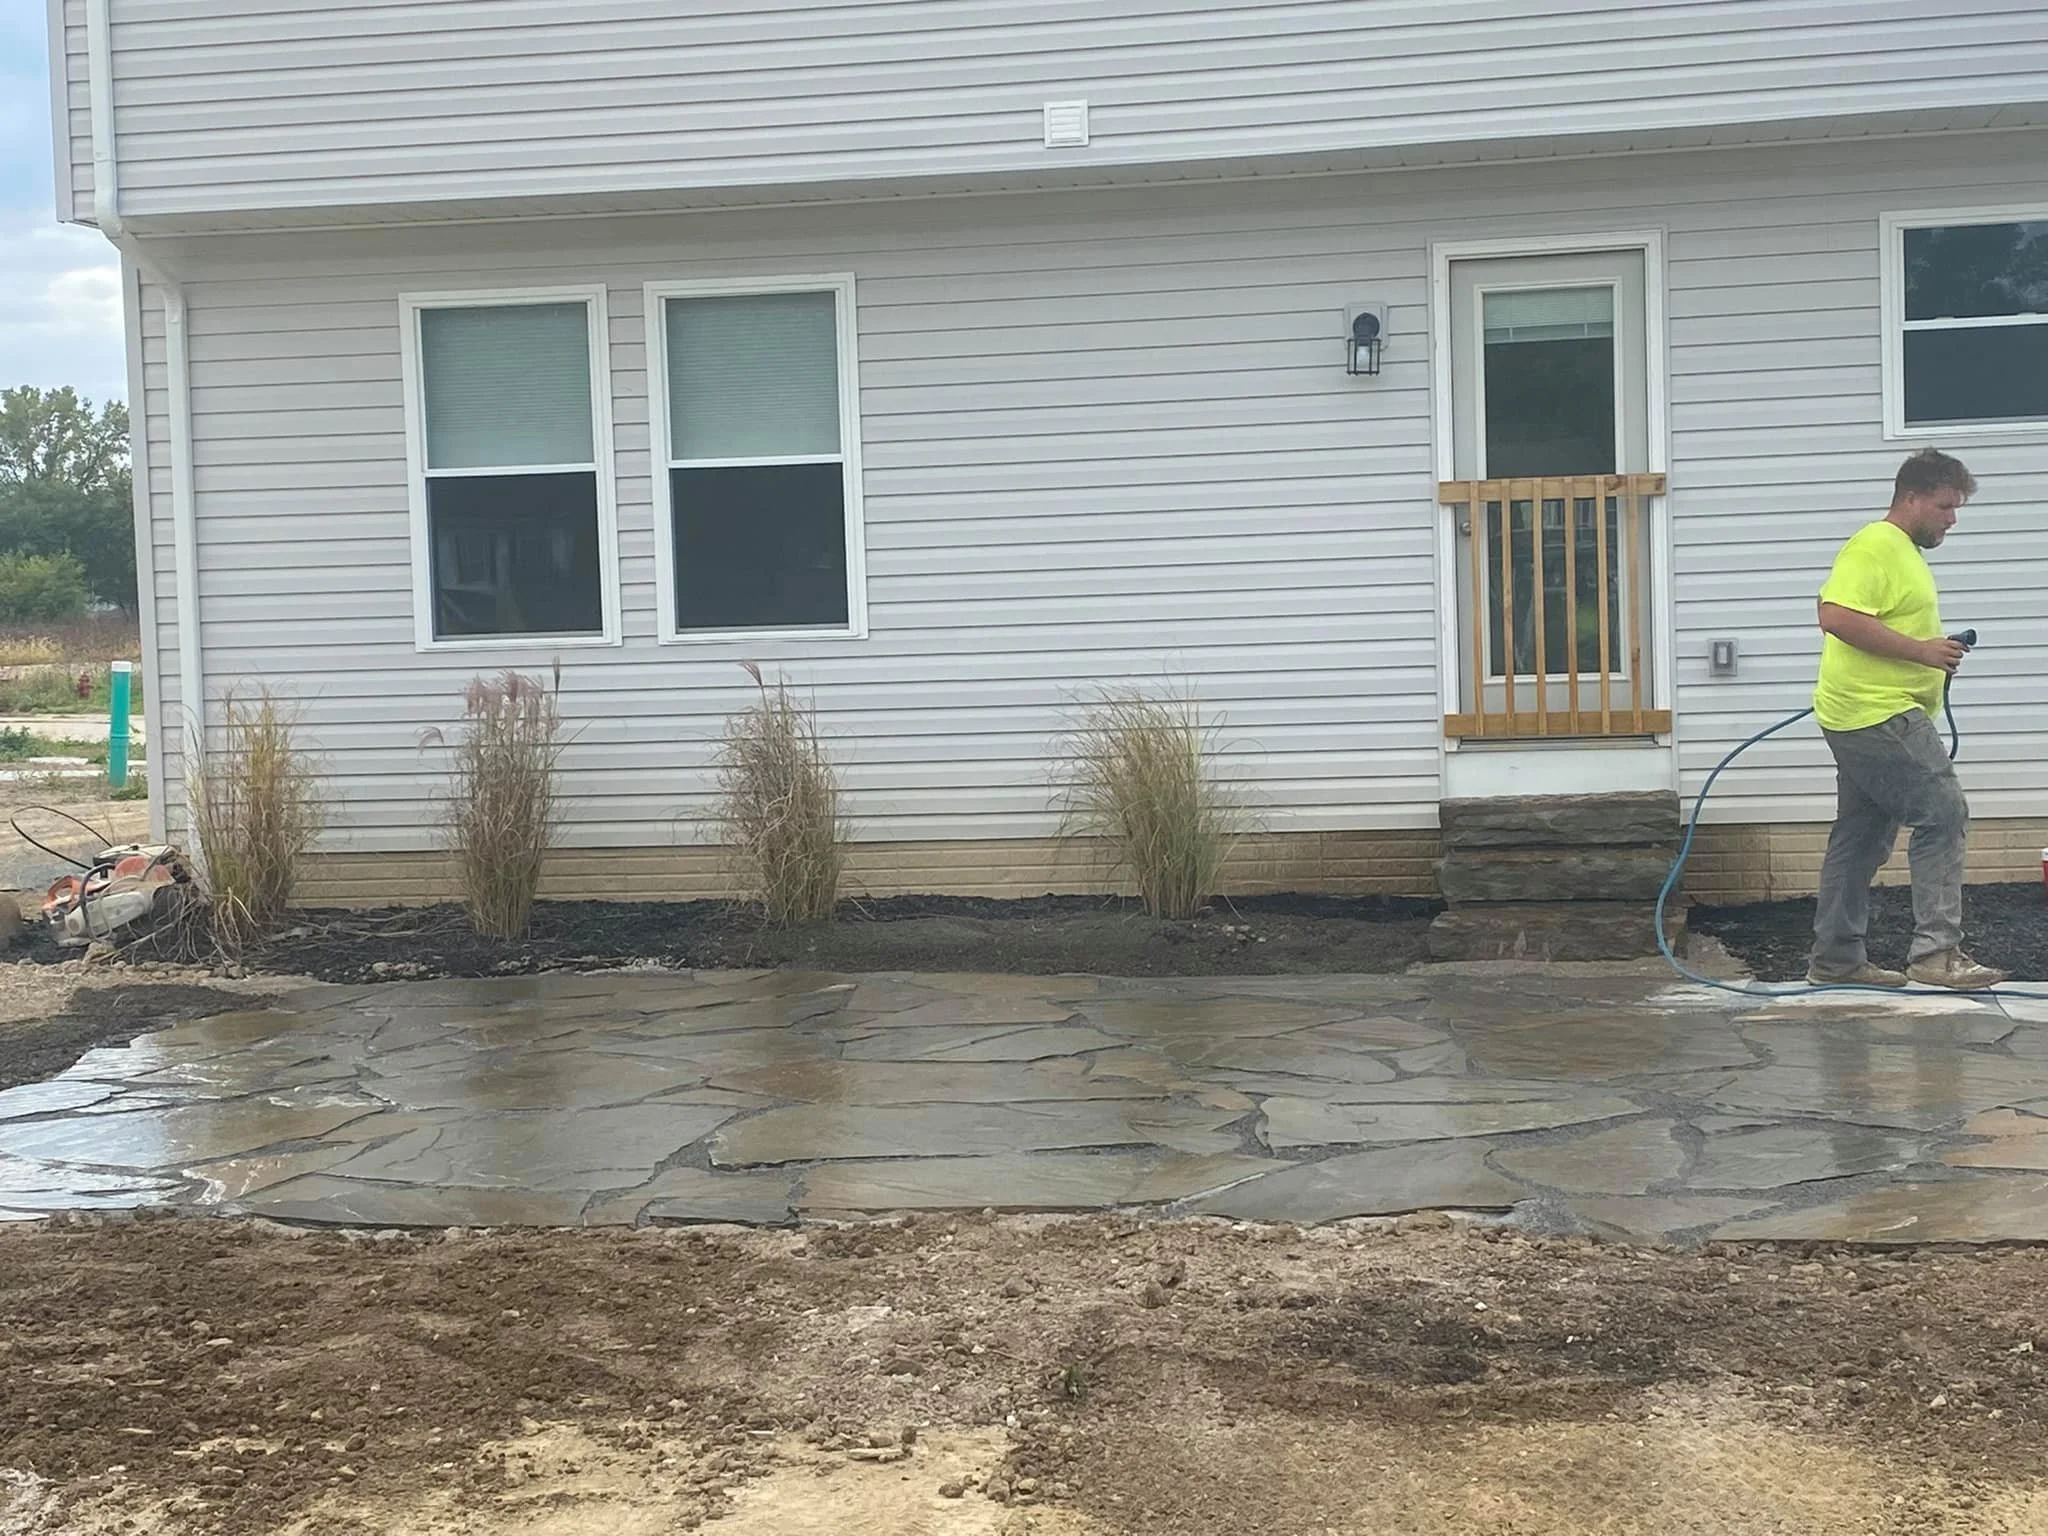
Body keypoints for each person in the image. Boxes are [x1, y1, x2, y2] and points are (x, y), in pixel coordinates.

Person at [1807, 448, 2006, 990]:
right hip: (1878, 713)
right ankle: (1936, 955)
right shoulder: (1875, 545)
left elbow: (1871, 620)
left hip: (1860, 712)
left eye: (1957, 508)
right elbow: (1835, 616)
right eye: (1944, 506)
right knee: (1943, 812)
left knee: (1860, 837)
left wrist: (1929, 654)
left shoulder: (1903, 553)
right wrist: (1922, 652)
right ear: (1911, 498)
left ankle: (1836, 961)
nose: (1952, 519)